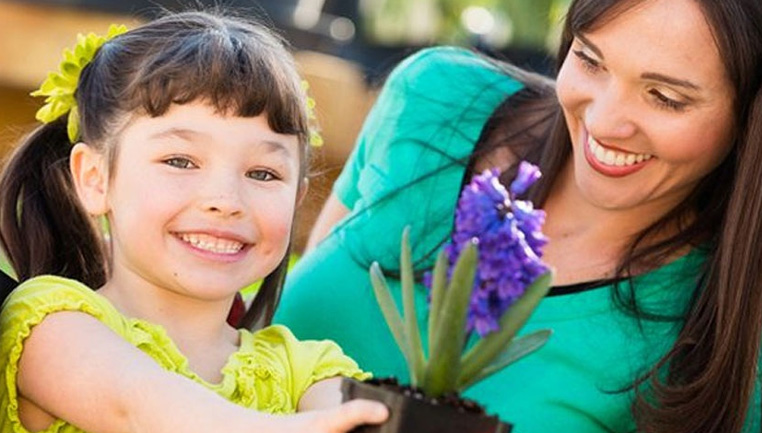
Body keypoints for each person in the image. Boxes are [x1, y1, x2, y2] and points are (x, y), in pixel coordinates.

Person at [274, 0, 762, 431]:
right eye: (590, 60)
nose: (603, 121)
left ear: (747, 115)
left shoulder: (733, 330)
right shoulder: (434, 97)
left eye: (665, 98)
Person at [0, 11, 388, 433]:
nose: (225, 201)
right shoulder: (48, 322)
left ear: (297, 199)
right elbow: (137, 406)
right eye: (180, 161)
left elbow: (351, 416)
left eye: (263, 173)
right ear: (95, 178)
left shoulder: (306, 368)